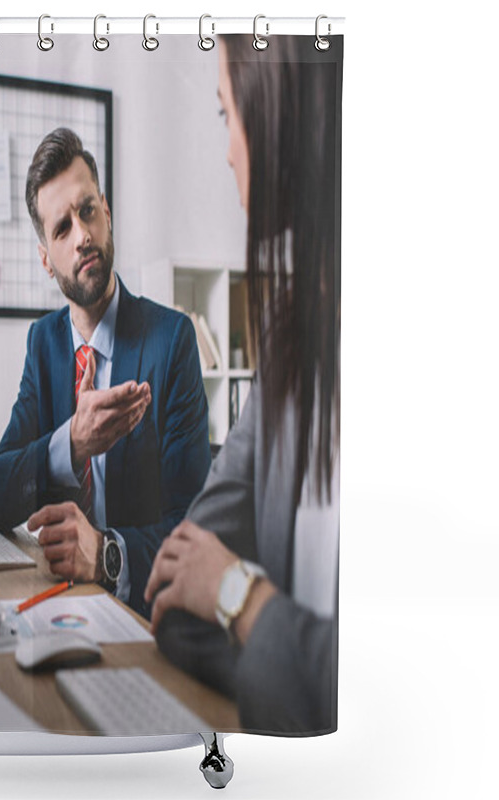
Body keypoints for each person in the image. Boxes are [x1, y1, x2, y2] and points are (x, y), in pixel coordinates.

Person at [144, 35, 341, 734]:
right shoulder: (296, 341)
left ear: (282, 109)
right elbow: (178, 584)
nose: (228, 148)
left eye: (229, 114)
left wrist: (243, 600)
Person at [0, 128, 211, 618]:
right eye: (62, 228)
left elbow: (192, 532)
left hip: (144, 615)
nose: (82, 234)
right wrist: (72, 443)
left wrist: (106, 554)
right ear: (46, 258)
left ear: (107, 214)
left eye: (88, 211)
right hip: (59, 607)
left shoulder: (172, 340)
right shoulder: (43, 343)